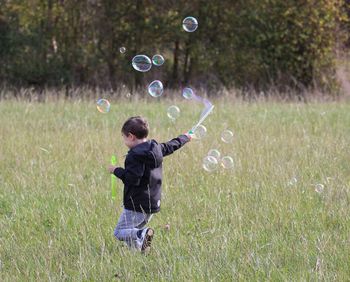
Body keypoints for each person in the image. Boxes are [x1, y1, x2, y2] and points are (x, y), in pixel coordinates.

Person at [108, 116, 192, 253]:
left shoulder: (134, 156)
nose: (124, 141)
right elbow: (172, 145)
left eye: (124, 137)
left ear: (131, 137)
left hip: (136, 204)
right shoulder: (156, 148)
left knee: (120, 232)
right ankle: (140, 252)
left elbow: (132, 179)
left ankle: (143, 233)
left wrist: (116, 170)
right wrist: (185, 138)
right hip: (152, 203)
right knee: (131, 232)